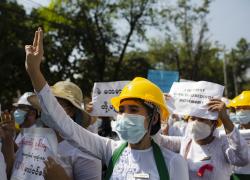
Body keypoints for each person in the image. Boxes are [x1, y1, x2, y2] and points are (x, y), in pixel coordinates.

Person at [25, 27, 189, 180]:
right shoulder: (111, 150)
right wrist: (34, 72)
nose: (124, 116)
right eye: (121, 110)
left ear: (153, 118)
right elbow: (64, 124)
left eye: (133, 109)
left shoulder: (174, 162)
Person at [155, 96, 248, 180]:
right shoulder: (185, 142)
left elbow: (242, 159)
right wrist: (158, 105)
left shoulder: (223, 144)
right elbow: (158, 140)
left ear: (214, 125)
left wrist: (225, 119)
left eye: (202, 119)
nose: (195, 122)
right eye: (192, 118)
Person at [28, 81, 102, 180]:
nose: (46, 108)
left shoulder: (86, 150)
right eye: (45, 103)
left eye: (53, 104)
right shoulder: (38, 141)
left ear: (70, 111)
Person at [228, 91, 250, 180]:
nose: (240, 111)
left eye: (244, 108)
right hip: (235, 175)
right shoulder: (233, 129)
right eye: (237, 108)